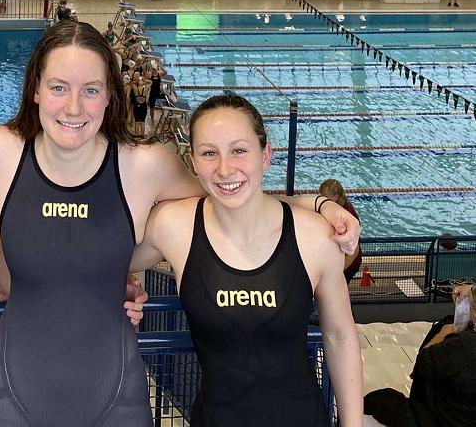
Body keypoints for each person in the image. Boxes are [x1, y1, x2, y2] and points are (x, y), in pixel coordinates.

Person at [0, 23, 360, 427]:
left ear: (110, 96)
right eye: (59, 88)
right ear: (35, 90)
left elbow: (229, 188)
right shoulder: (1, 152)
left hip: (118, 398)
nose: (73, 107)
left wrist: (314, 202)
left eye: (90, 90)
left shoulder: (144, 165)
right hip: (13, 398)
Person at [130, 94, 363, 427]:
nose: (225, 168)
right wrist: (125, 286)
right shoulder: (173, 226)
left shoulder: (314, 236)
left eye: (239, 150)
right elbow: (105, 263)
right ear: (192, 161)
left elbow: (340, 335)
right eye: (209, 153)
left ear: (265, 155)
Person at [364, 283, 476, 426]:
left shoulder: (459, 347)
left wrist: (442, 334)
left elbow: (422, 366)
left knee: (382, 400)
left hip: (442, 418)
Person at [318, 178, 363, 283]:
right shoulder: (336, 207)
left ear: (336, 197)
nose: (322, 201)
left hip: (349, 264)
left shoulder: (346, 216)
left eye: (326, 198)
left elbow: (354, 250)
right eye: (321, 197)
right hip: (341, 260)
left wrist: (338, 272)